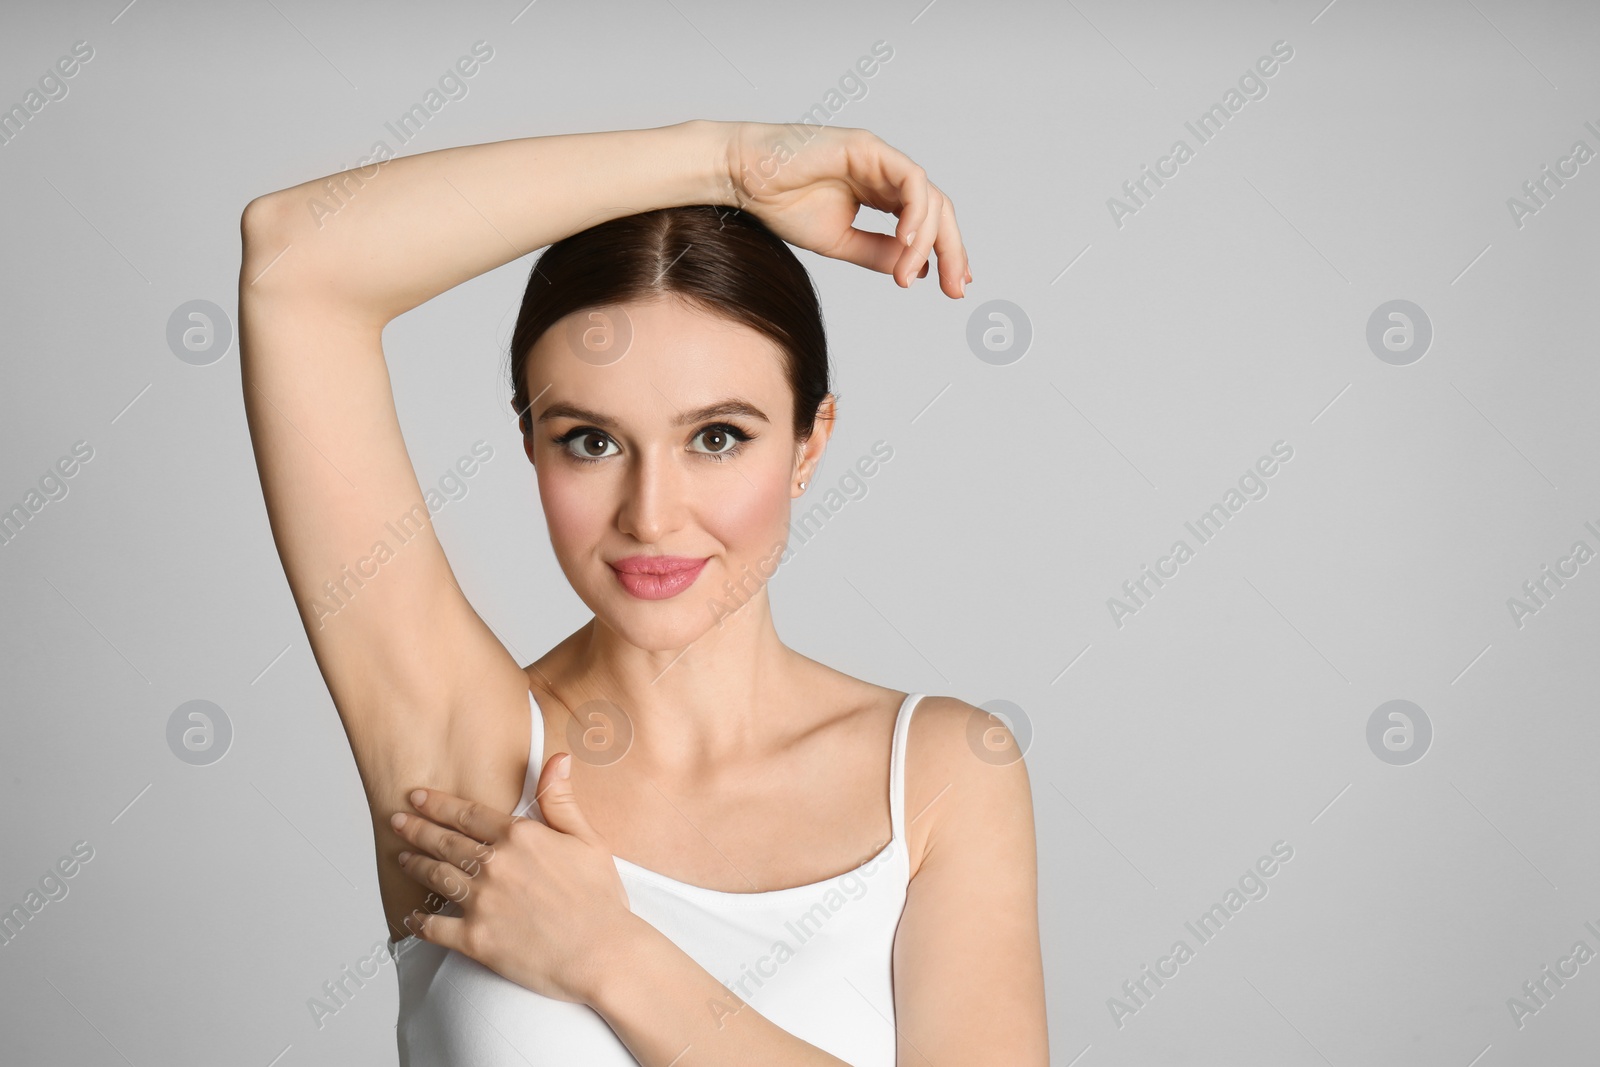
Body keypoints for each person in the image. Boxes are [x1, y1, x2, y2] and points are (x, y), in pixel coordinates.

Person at [238, 119, 1047, 1065]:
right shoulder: (465, 748)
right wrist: (731, 164)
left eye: (717, 436)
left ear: (810, 441)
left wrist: (612, 957)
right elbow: (294, 263)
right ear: (531, 441)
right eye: (591, 439)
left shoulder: (942, 777)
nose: (651, 516)